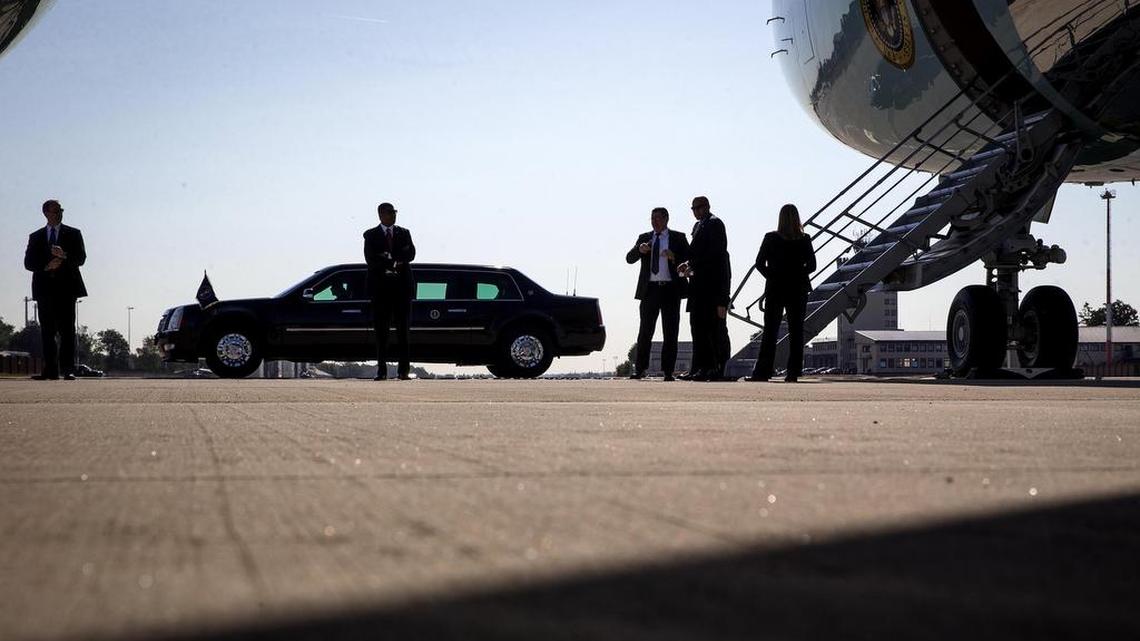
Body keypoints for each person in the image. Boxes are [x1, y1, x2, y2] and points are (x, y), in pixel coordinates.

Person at [749, 203, 817, 382]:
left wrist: (772, 276)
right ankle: (793, 372)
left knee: (771, 330)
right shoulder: (804, 239)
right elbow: (812, 265)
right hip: (798, 288)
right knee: (796, 331)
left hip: (776, 288)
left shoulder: (771, 238)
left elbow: (759, 263)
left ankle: (763, 371)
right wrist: (797, 273)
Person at [24, 199, 87, 380]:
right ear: (46, 213)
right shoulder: (36, 237)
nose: (59, 213)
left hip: (67, 289)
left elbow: (81, 258)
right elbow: (28, 263)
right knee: (47, 331)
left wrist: (64, 255)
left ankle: (67, 369)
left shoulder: (73, 234)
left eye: (60, 210)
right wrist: (46, 266)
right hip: (45, 290)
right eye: (55, 211)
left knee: (67, 330)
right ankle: (50, 370)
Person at [625, 207, 690, 381]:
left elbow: (690, 258)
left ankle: (668, 371)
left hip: (670, 289)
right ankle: (640, 369)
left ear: (666, 219)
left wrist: (674, 256)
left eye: (658, 218)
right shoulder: (644, 238)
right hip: (650, 290)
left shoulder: (678, 237)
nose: (655, 222)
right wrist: (640, 249)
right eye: (652, 219)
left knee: (670, 331)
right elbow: (629, 258)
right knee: (645, 331)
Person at [677, 196, 731, 381]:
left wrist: (693, 265)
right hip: (698, 288)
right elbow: (696, 255)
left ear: (707, 207)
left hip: (712, 288)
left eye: (699, 207)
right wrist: (687, 264)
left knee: (714, 330)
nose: (696, 211)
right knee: (698, 329)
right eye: (693, 208)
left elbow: (716, 255)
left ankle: (718, 367)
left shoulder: (715, 224)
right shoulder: (698, 226)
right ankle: (700, 367)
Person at [364, 202, 416, 380]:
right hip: (381, 291)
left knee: (403, 332)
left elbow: (410, 255)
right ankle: (382, 370)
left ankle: (404, 371)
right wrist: (394, 263)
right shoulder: (371, 235)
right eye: (389, 213)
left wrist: (389, 259)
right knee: (381, 332)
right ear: (380, 215)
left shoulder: (404, 233)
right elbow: (371, 259)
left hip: (402, 290)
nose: (393, 215)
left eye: (394, 212)